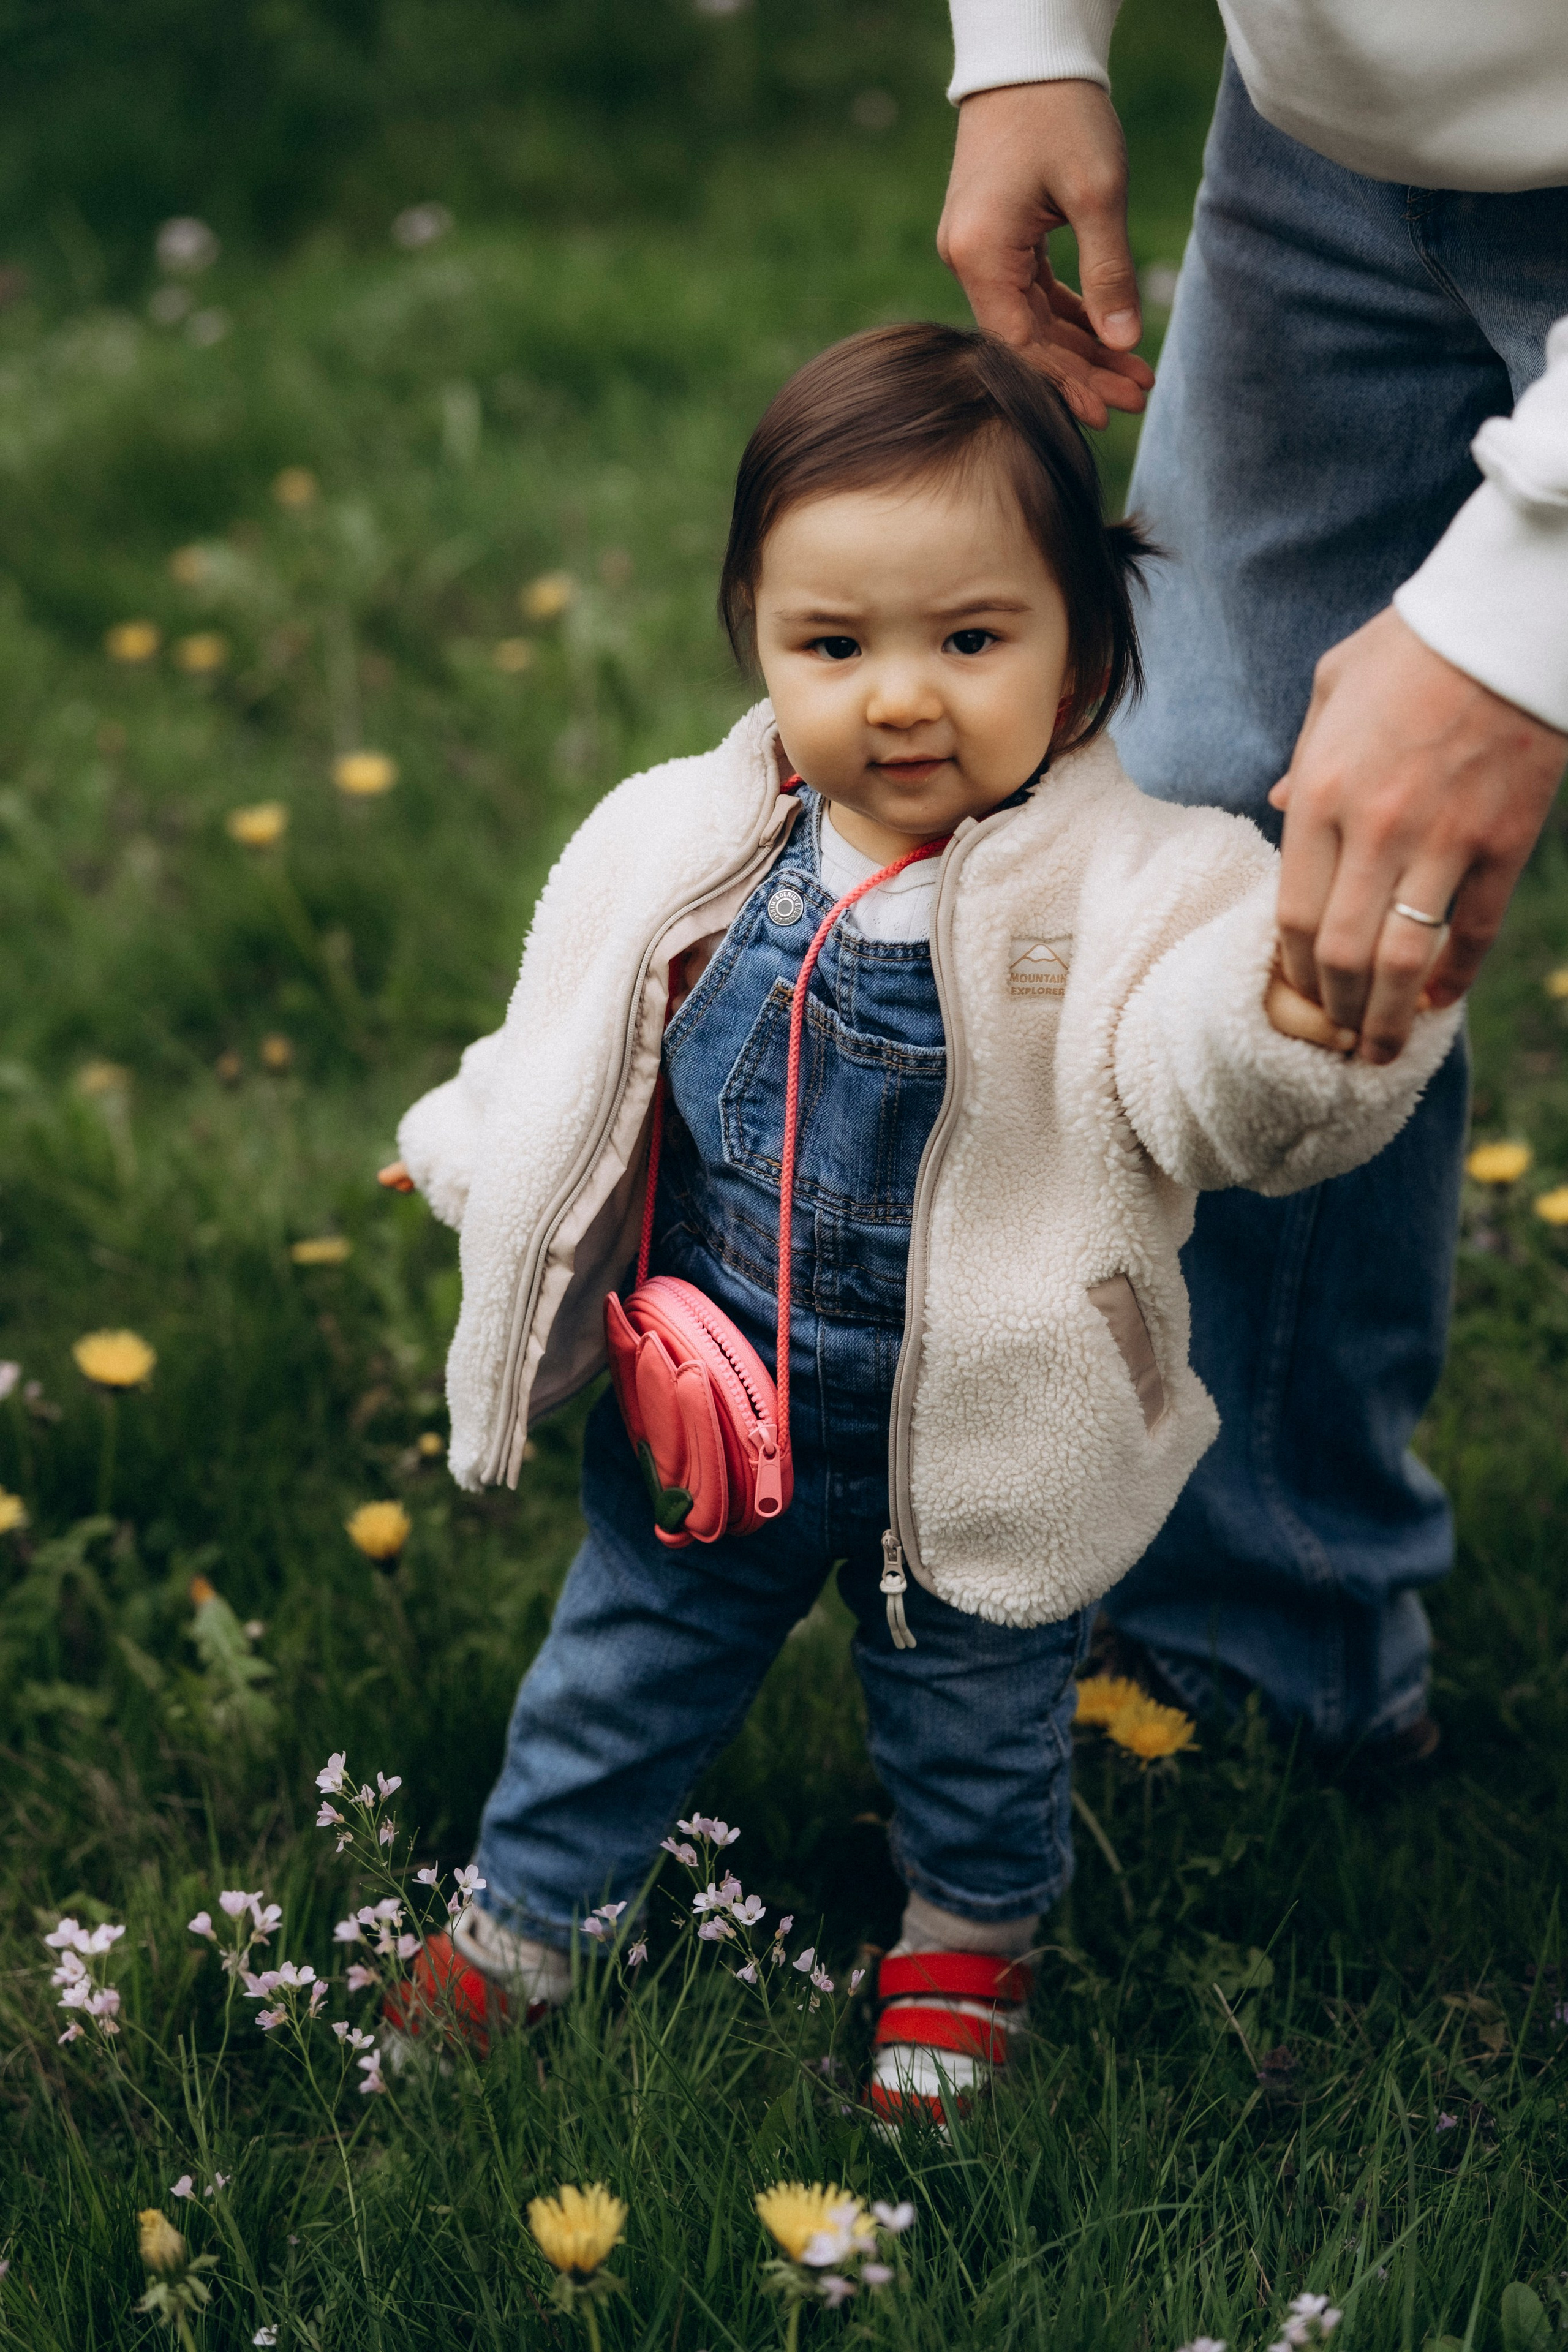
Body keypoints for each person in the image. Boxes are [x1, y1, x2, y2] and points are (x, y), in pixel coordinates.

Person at [379, 323, 1457, 2118]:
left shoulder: (1153, 887)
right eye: (835, 645)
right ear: (755, 637)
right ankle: (528, 1920)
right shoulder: (692, 836)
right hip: (711, 1397)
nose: (899, 695)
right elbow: (580, 1027)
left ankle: (970, 1936)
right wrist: (481, 1140)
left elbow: (1208, 1081)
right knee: (617, 1665)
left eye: (970, 640)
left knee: (978, 1717)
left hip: (983, 1428)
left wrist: (1306, 1026)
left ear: (1088, 653)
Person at [938, 2, 1568, 1755]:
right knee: (1232, 866)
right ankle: (1266, 1627)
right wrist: (1027, 40)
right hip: (1323, 157)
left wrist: (1531, 604)